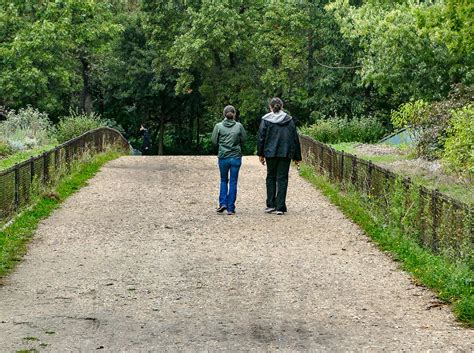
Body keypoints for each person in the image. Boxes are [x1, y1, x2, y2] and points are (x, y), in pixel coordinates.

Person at [257, 97, 302, 215]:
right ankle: (280, 207)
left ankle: (270, 205)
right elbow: (294, 139)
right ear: (282, 107)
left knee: (270, 177)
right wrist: (297, 157)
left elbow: (261, 138)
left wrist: (261, 154)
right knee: (282, 179)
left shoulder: (266, 120)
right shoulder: (289, 120)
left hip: (270, 153)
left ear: (270, 107)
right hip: (285, 153)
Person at [212, 105, 247, 215]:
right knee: (233, 182)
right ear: (234, 114)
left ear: (224, 114)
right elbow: (244, 139)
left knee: (223, 180)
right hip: (236, 157)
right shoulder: (239, 126)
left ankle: (223, 203)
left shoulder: (218, 126)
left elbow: (214, 140)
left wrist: (222, 145)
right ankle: (231, 208)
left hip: (223, 157)